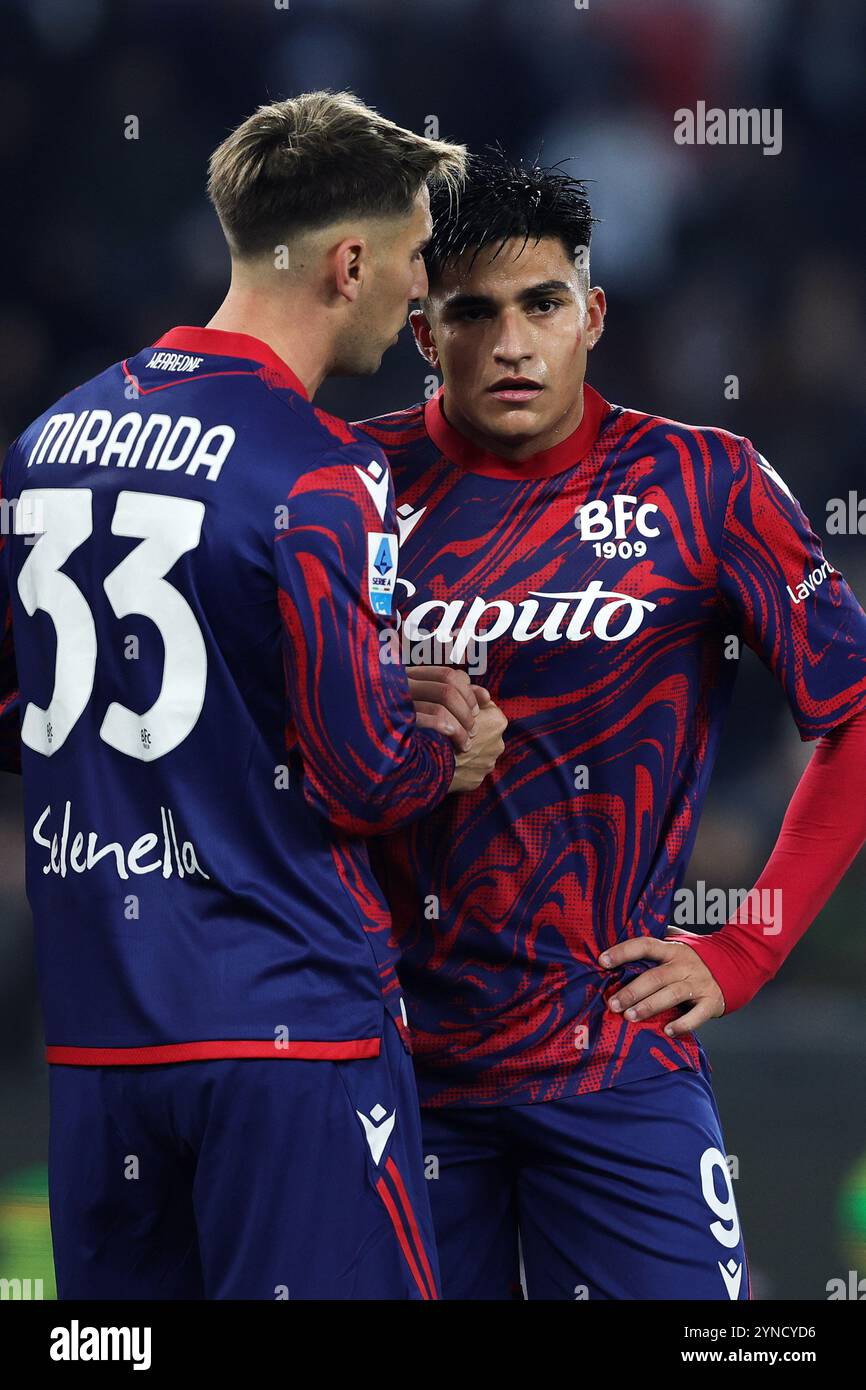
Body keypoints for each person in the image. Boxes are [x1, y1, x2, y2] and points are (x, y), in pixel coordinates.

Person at [0, 92, 508, 1300]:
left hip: (97, 1045)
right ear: (346, 262)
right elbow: (356, 774)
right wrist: (448, 746)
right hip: (292, 1033)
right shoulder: (325, 471)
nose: (422, 291)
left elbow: (24, 711)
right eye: (414, 255)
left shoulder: (49, 441)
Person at [357, 152, 866, 1299]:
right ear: (421, 331)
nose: (511, 344)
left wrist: (745, 944)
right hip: (395, 1063)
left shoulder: (707, 482)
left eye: (540, 305)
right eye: (470, 313)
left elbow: (854, 712)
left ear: (589, 312)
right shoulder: (346, 489)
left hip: (613, 1054)